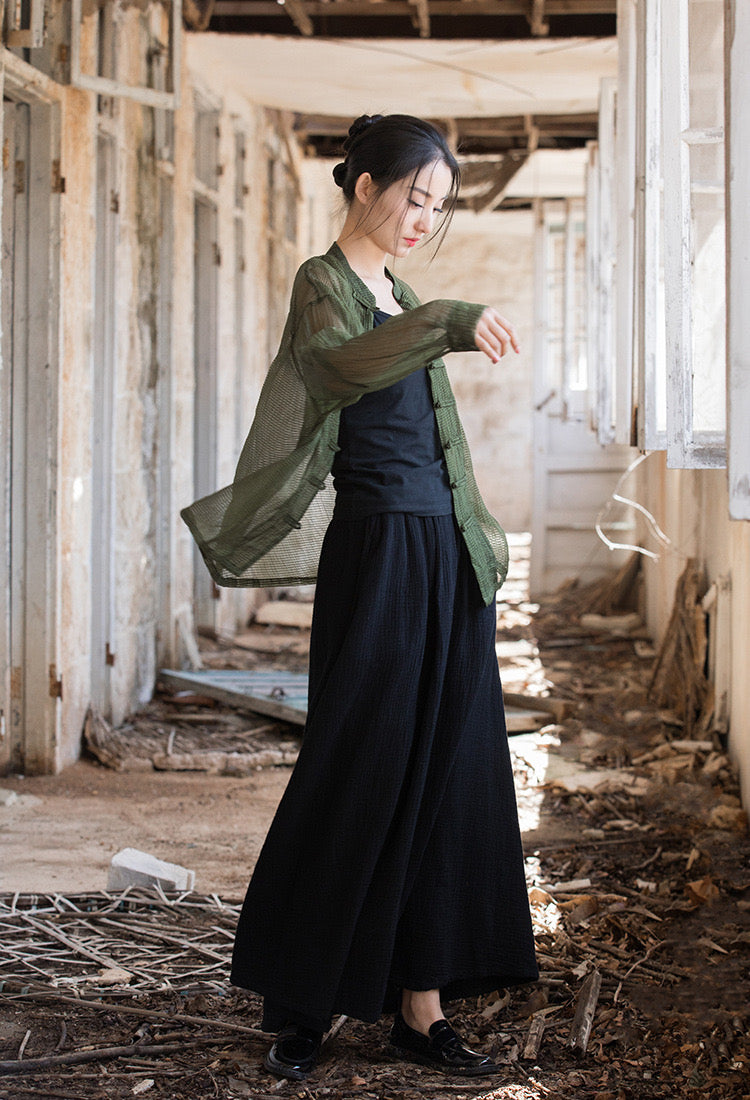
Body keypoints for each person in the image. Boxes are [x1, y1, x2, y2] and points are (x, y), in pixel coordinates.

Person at [181, 112, 538, 1082]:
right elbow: (342, 370)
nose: (423, 219)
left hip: (446, 554)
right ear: (366, 184)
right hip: (378, 552)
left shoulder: (402, 293)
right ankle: (305, 1002)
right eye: (414, 197)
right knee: (356, 767)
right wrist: (449, 320)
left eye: (438, 207)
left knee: (444, 777)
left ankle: (422, 1009)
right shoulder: (326, 285)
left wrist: (474, 546)